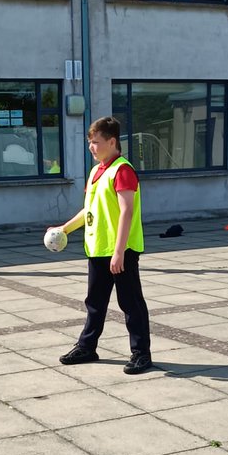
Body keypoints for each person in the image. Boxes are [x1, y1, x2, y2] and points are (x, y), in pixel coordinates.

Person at [54, 115, 152, 375]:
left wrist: (119, 251)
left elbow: (127, 211)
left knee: (130, 303)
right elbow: (89, 209)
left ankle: (141, 353)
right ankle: (87, 347)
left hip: (121, 251)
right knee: (95, 302)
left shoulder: (122, 170)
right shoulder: (97, 171)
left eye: (96, 142)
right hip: (98, 249)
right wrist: (64, 228)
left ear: (111, 141)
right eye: (89, 142)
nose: (91, 147)